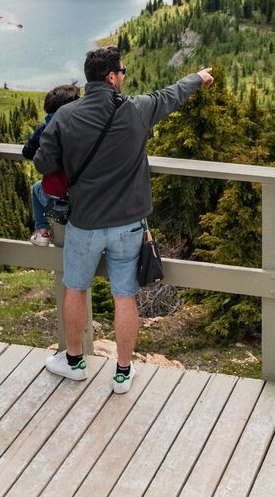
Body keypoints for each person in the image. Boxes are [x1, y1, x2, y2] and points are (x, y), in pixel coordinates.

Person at [36, 47, 213, 393]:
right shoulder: (136, 109)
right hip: (129, 224)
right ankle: (122, 372)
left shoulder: (66, 115)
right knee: (124, 295)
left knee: (75, 289)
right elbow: (171, 95)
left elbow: (44, 163)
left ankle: (73, 362)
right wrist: (197, 78)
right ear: (112, 77)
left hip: (84, 222)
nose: (124, 77)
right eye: (123, 71)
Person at [23, 83, 81, 246]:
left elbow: (27, 152)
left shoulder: (44, 128)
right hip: (81, 196)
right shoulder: (81, 128)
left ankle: (42, 231)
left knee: (36, 188)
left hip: (54, 195)